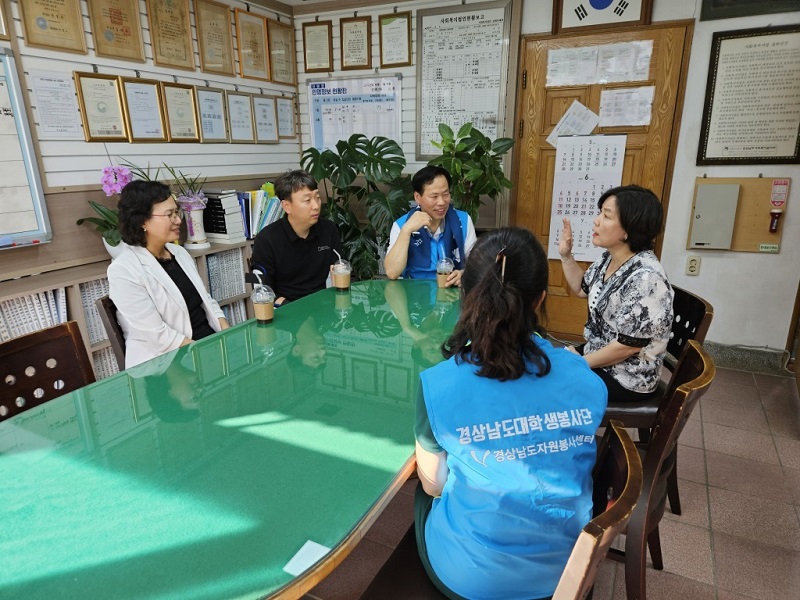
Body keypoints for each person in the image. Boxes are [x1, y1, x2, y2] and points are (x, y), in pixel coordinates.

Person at [414, 227, 607, 600]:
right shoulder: (583, 377)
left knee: (423, 493)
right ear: (540, 300)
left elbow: (434, 485)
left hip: (470, 579)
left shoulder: (437, 384)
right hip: (567, 570)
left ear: (467, 296)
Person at [558, 184, 674, 403]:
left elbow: (627, 346)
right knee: (544, 366)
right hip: (600, 357)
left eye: (607, 215)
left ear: (630, 228)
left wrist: (580, 363)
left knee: (549, 385)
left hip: (627, 377)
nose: (596, 220)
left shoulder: (646, 277)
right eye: (600, 212)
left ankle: (564, 435)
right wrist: (566, 255)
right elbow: (582, 289)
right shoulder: (609, 258)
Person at [108, 180, 229, 369]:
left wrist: (227, 334)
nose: (178, 220)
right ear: (142, 221)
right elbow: (157, 335)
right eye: (169, 215)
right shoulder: (123, 270)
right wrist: (206, 354)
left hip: (205, 346)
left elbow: (206, 300)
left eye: (176, 212)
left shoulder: (179, 253)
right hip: (168, 363)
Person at [250, 170, 341, 306]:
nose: (316, 206)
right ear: (287, 206)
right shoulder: (265, 239)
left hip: (321, 308)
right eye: (307, 200)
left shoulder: (329, 229)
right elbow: (260, 291)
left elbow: (339, 270)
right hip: (285, 311)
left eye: (317, 197)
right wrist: (296, 310)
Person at [384, 166, 477, 285]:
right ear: (417, 197)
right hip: (415, 294)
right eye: (434, 196)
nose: (441, 202)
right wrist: (406, 231)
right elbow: (392, 273)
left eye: (445, 194)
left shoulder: (463, 221)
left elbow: (478, 266)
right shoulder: (401, 225)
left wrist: (464, 275)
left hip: (452, 293)